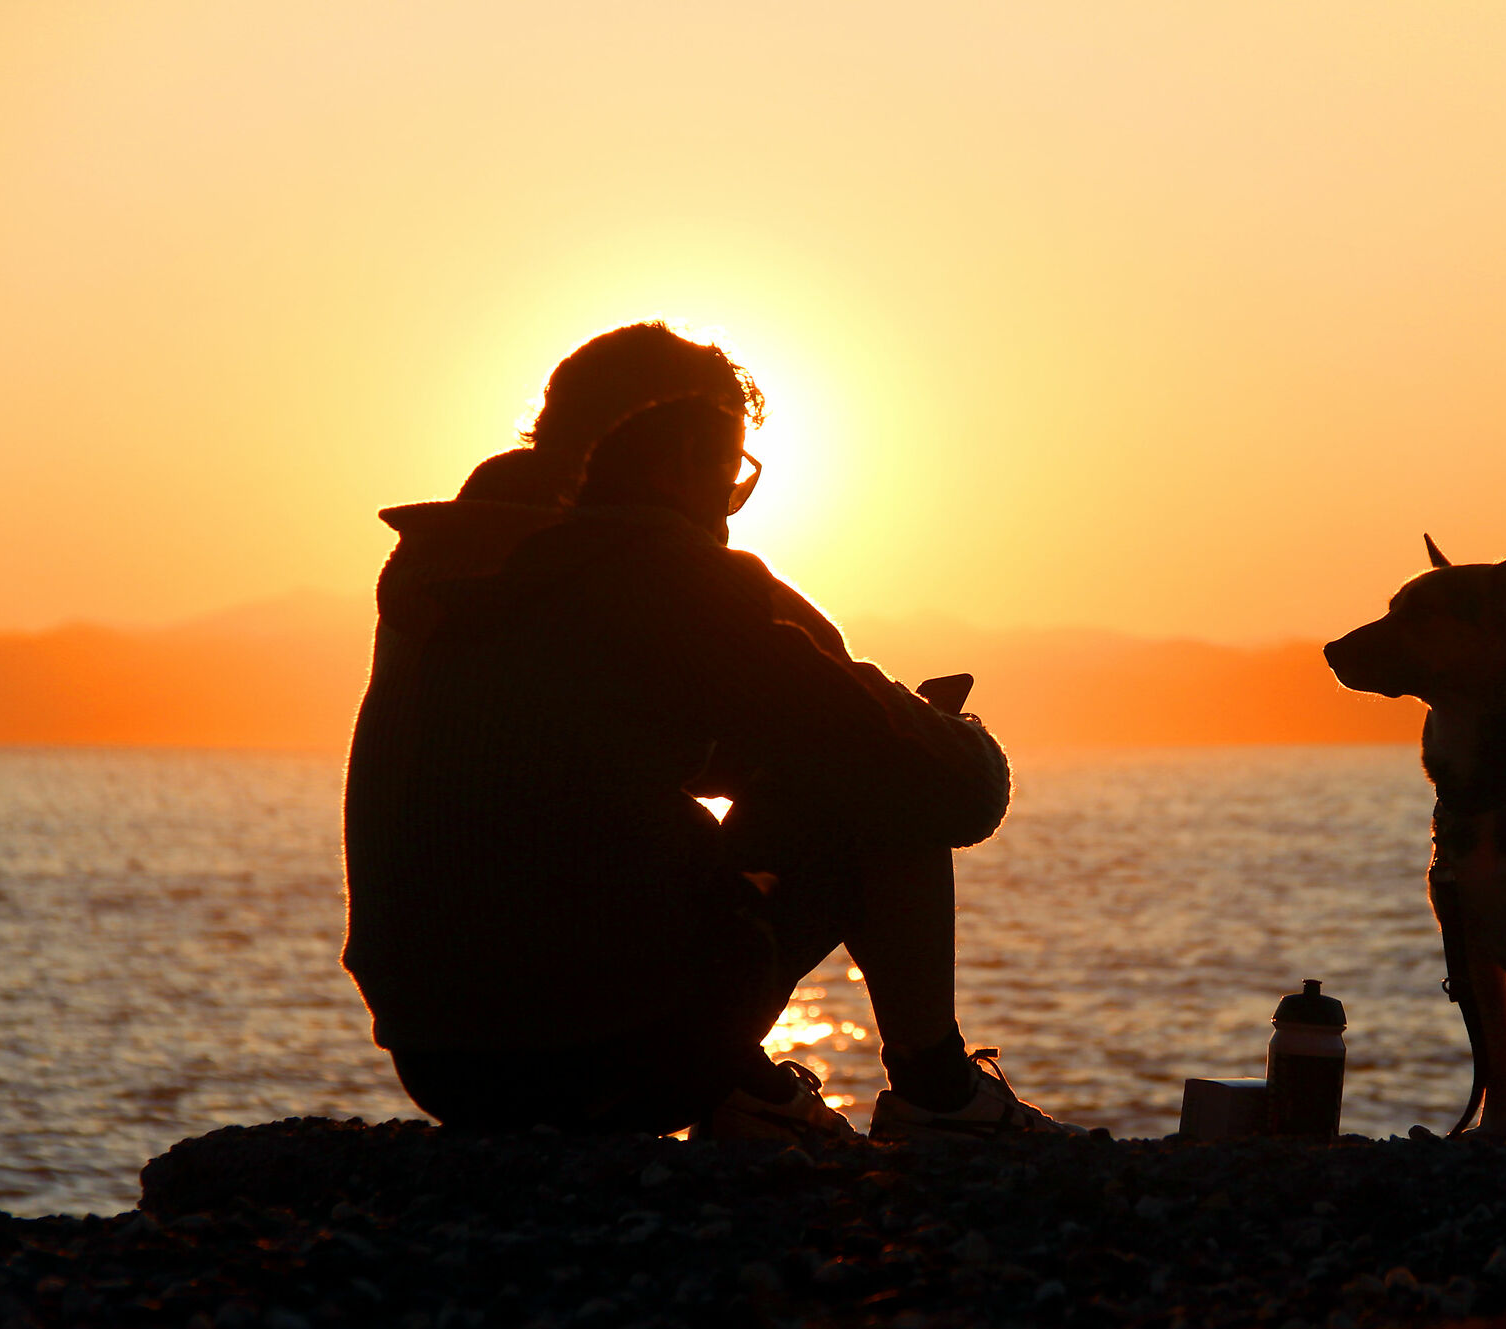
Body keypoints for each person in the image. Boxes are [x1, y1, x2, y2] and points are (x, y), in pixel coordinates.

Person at [343, 327, 1077, 1141]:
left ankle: (745, 1090)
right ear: (679, 457)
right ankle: (942, 1103)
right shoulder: (669, 571)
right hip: (613, 1055)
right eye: (731, 473)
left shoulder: (439, 567)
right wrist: (947, 728)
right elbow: (956, 792)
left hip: (441, 1058)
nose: (729, 509)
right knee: (884, 768)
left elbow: (562, 776)